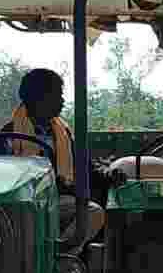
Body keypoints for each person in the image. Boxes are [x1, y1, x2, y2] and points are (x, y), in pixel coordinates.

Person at [6, 68, 105, 249]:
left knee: (93, 212)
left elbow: (85, 167)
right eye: (57, 95)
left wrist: (108, 174)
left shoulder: (62, 132)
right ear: (38, 99)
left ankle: (60, 259)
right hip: (23, 203)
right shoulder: (9, 133)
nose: (62, 101)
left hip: (57, 200)